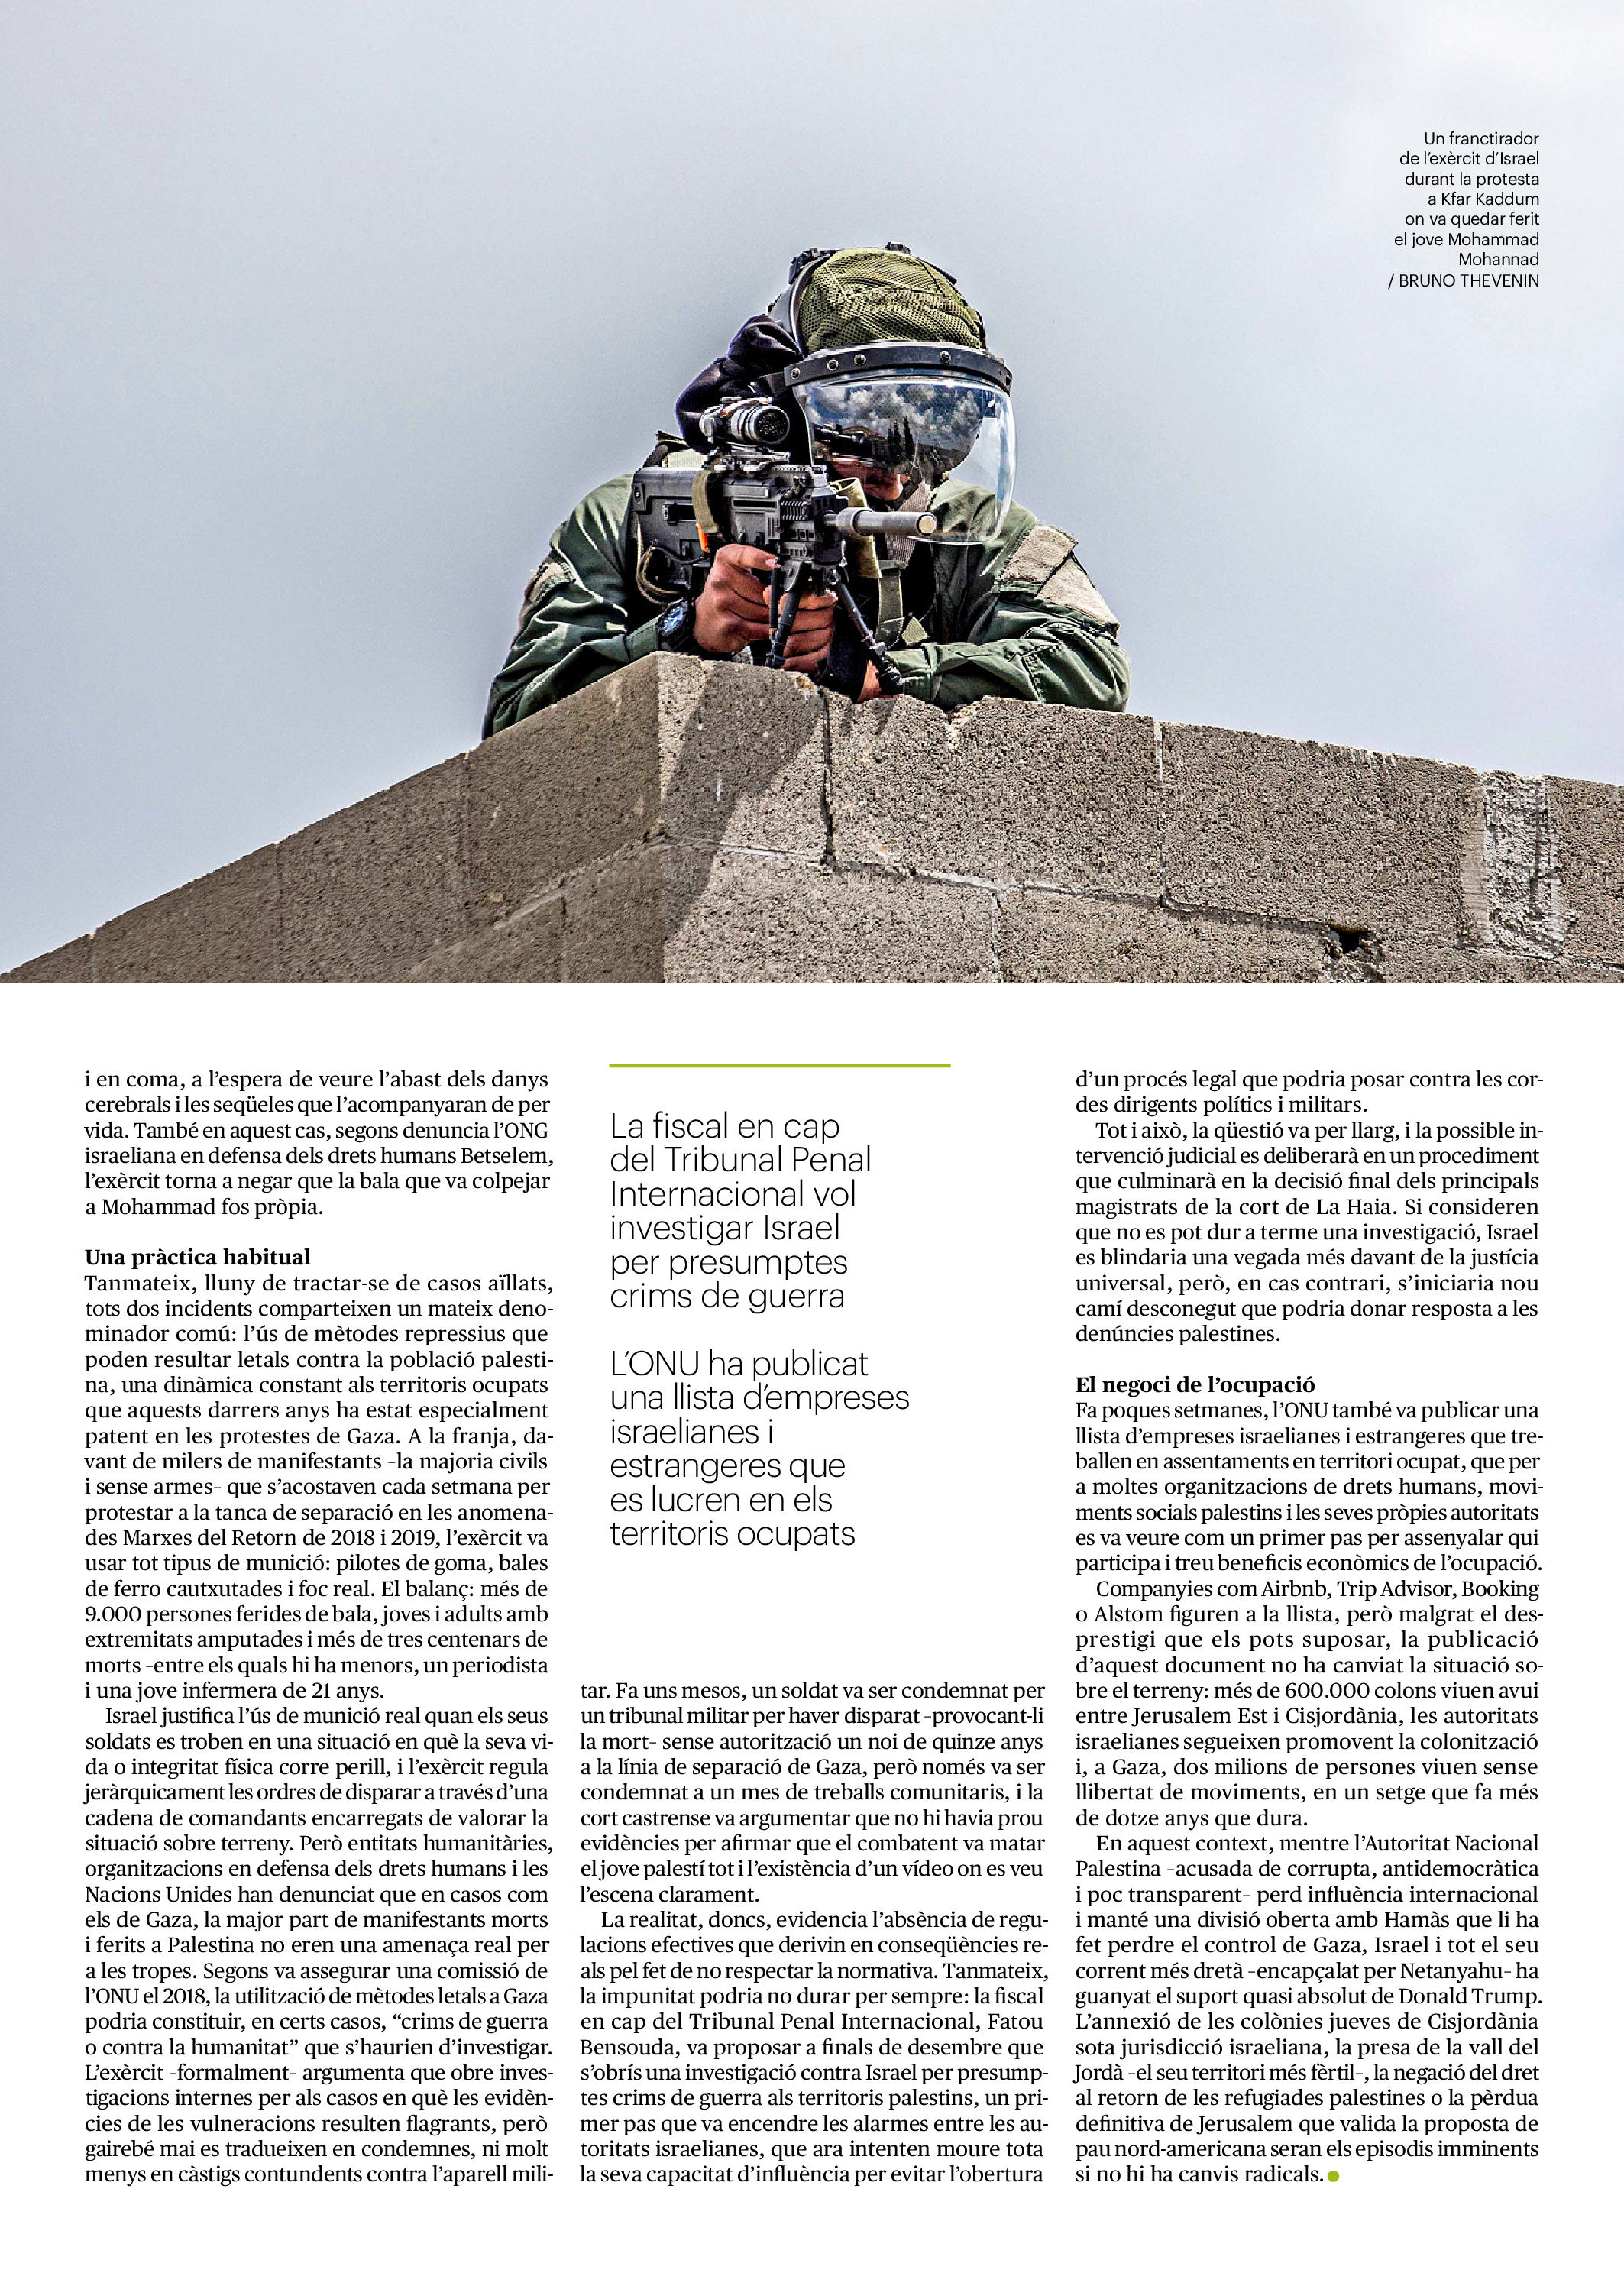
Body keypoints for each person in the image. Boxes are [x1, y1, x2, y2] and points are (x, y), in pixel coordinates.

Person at [484, 247, 1129, 734]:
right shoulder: (631, 515)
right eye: (861, 434)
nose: (895, 475)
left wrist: (883, 674)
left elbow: (1088, 665)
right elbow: (517, 717)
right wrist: (686, 634)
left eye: (933, 439)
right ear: (787, 413)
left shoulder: (961, 524)